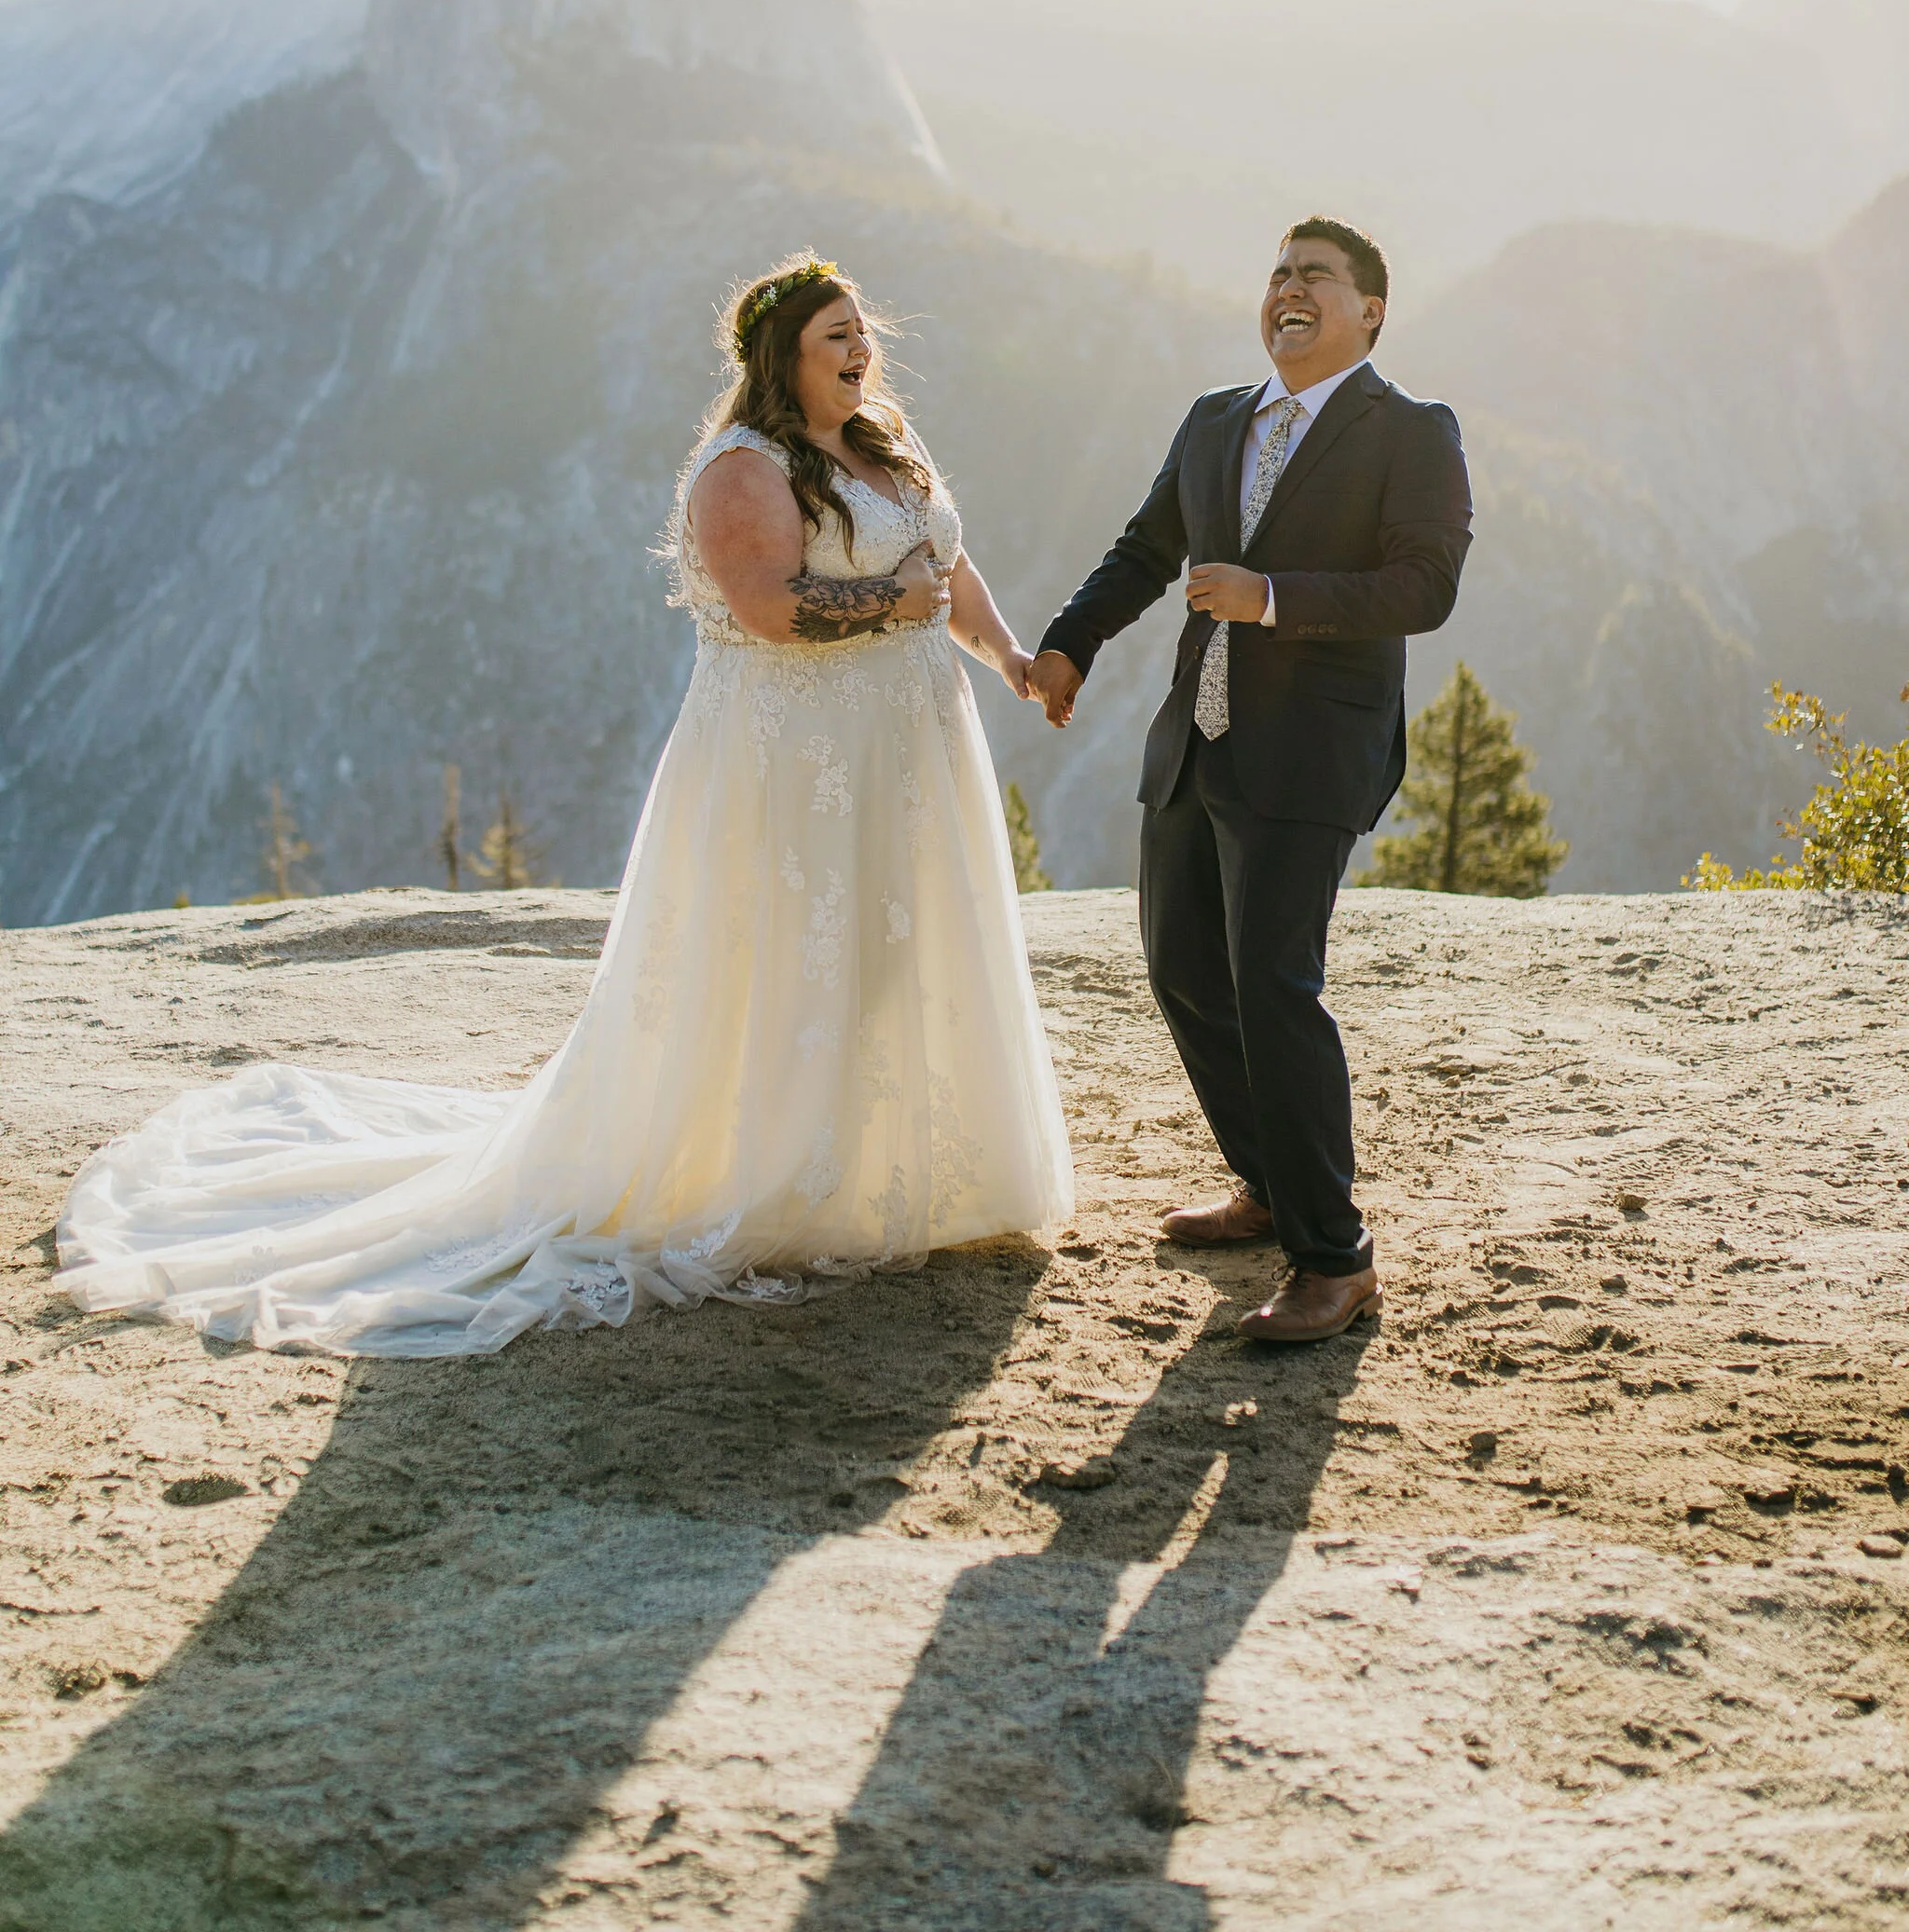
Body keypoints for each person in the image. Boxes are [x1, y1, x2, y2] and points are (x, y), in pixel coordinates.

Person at [55, 254, 1073, 1356]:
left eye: (862, 330)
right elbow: (772, 608)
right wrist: (891, 597)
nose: (860, 347)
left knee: (895, 952)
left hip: (907, 753)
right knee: (792, 956)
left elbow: (946, 570)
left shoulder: (882, 446)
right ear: (784, 358)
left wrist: (1007, 655)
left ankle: (893, 1168)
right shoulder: (742, 469)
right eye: (835, 335)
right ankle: (785, 1179)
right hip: (797, 764)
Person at [1029, 217, 1470, 1343]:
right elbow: (1142, 551)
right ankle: (1267, 1186)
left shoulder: (1411, 429)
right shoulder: (1214, 419)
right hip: (1197, 740)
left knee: (1273, 985)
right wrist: (1069, 644)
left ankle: (1334, 1257)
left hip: (1311, 750)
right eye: (1276, 273)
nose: (1287, 288)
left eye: (1314, 276)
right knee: (1181, 969)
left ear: (1369, 309)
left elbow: (1422, 587)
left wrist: (1268, 596)